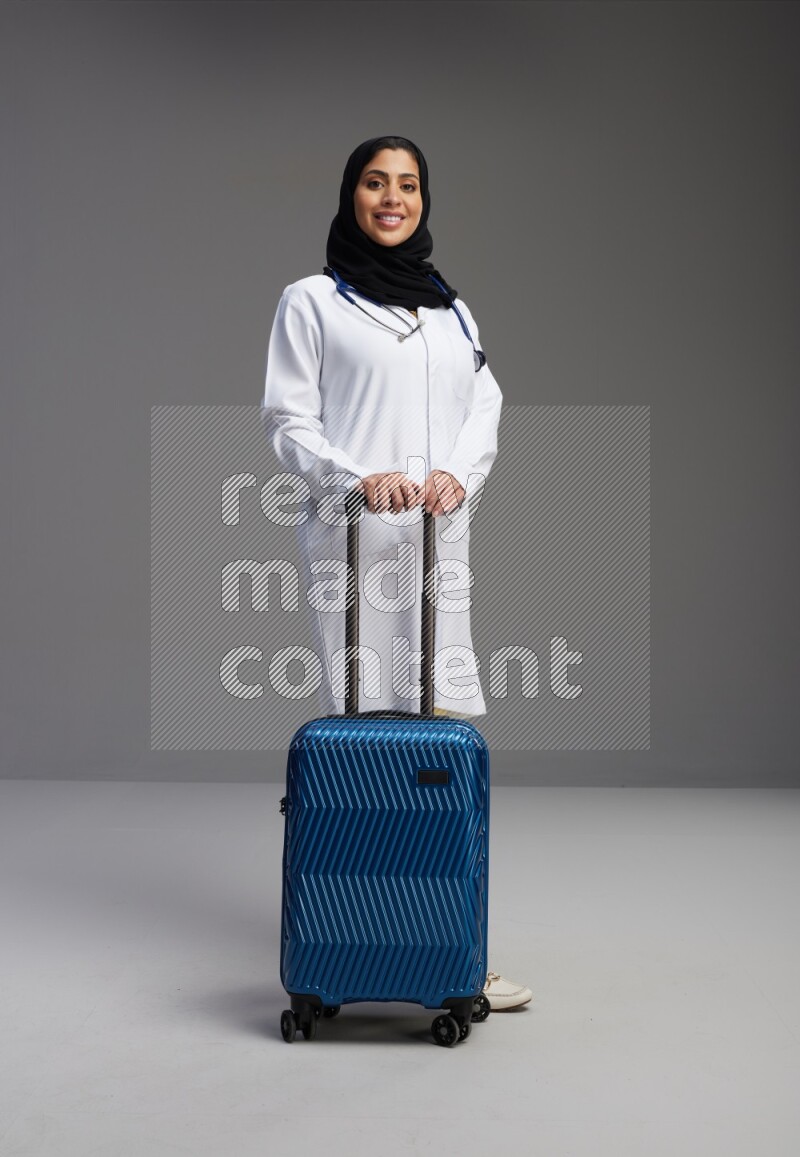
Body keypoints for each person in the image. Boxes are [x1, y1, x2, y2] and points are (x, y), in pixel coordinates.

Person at [261, 136, 531, 1012]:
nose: (393, 198)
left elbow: (485, 405)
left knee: (443, 749)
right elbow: (288, 420)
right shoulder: (313, 301)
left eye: (408, 185)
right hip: (355, 552)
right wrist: (353, 476)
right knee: (370, 753)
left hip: (437, 550)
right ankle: (357, 944)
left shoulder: (452, 310)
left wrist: (460, 473)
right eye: (376, 183)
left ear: (423, 200)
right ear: (351, 195)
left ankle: (451, 950)